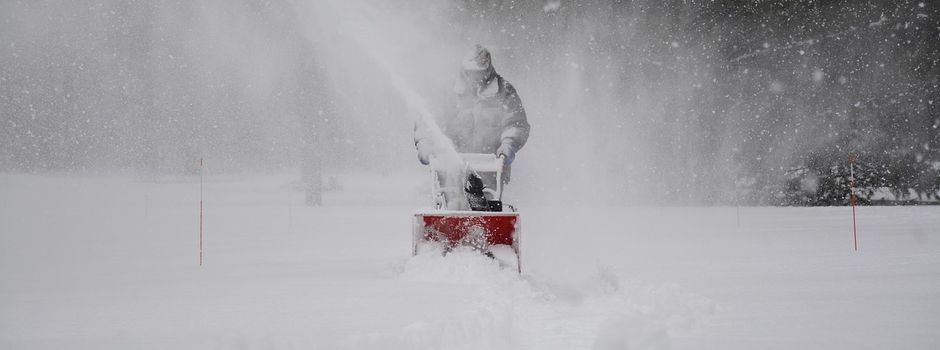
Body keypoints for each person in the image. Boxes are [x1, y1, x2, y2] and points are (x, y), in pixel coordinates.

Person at [414, 45, 530, 192]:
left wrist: (509, 144)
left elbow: (516, 122)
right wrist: (426, 144)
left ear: (488, 69)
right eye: (472, 73)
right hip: (449, 167)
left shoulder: (504, 91)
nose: (476, 78)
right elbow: (428, 121)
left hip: (491, 168)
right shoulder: (447, 91)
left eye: (480, 73)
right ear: (464, 70)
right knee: (451, 204)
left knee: (487, 206)